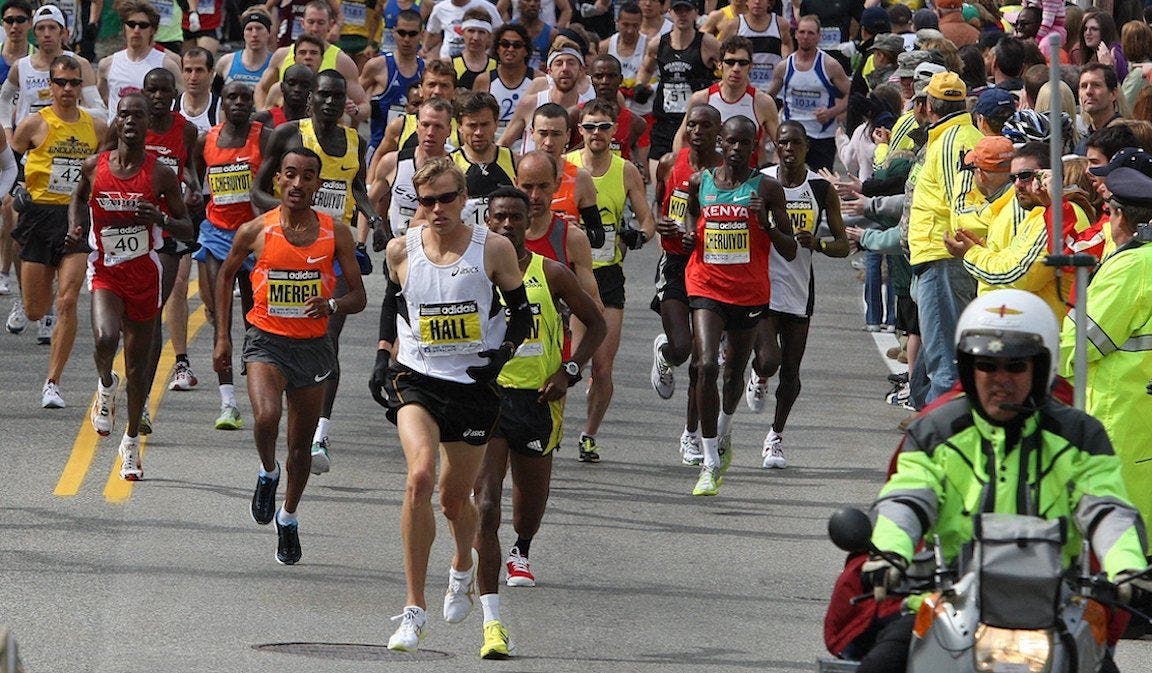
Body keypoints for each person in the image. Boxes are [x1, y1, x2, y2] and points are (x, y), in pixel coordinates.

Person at [856, 289, 1150, 673]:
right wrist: (888, 551)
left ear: (1041, 368)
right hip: (951, 602)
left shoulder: (1080, 435)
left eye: (1015, 366)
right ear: (967, 368)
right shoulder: (935, 431)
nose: (1001, 379)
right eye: (986, 365)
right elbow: (907, 497)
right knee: (877, 665)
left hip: (1056, 608)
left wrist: (1127, 566)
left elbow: (1107, 506)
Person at [377, 158, 533, 653]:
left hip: (472, 386)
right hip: (418, 380)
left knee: (451, 499)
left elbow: (521, 316)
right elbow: (392, 304)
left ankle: (462, 563)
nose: (437, 208)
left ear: (465, 198)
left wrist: (500, 357)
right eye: (427, 201)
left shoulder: (494, 249)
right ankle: (413, 611)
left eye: (447, 198)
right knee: (419, 476)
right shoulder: (401, 250)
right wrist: (383, 358)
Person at [212, 146, 366, 565]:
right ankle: (267, 472)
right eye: (291, 175)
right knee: (265, 417)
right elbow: (225, 276)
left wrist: (332, 305)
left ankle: (289, 516)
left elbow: (358, 295)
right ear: (277, 179)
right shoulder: (256, 231)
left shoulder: (337, 233)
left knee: (300, 449)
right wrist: (222, 338)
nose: (298, 184)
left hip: (313, 347)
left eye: (308, 176)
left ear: (318, 183)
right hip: (266, 340)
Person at [471, 186, 604, 658]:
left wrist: (569, 371)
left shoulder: (552, 273)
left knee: (530, 498)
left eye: (515, 218)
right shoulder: (475, 272)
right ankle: (491, 616)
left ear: (529, 223)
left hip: (538, 399)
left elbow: (597, 324)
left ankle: (521, 548)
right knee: (486, 502)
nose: (507, 225)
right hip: (487, 397)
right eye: (498, 217)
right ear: (486, 221)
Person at [253, 68, 381, 475]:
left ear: (346, 102)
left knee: (328, 335)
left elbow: (356, 186)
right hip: (290, 247)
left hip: (333, 251)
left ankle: (319, 432)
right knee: (286, 334)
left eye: (336, 96)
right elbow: (257, 188)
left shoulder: (354, 142)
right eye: (322, 95)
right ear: (311, 99)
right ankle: (283, 410)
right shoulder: (289, 134)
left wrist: (376, 220)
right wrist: (277, 223)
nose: (329, 102)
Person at [72, 93, 193, 480]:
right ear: (117, 122)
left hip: (145, 273)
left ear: (145, 123)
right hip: (107, 269)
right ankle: (105, 387)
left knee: (139, 368)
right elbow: (77, 197)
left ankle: (129, 444)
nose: (130, 122)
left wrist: (161, 217)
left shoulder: (160, 174)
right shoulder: (95, 166)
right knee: (106, 338)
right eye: (124, 115)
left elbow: (187, 227)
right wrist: (75, 226)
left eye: (137, 116)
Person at [681, 115, 795, 496]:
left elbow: (790, 247)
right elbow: (690, 222)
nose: (735, 149)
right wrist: (682, 236)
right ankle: (709, 461)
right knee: (706, 364)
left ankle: (725, 432)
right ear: (721, 143)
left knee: (733, 373)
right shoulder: (701, 182)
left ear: (754, 145)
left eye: (744, 143)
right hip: (706, 285)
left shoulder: (769, 188)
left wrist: (765, 224)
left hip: (748, 293)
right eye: (730, 142)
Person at [752, 121, 848, 469]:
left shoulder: (821, 189)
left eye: (795, 143)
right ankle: (759, 374)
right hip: (762, 284)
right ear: (775, 147)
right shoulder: (760, 180)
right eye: (782, 144)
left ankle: (775, 437)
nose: (788, 149)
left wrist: (819, 244)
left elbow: (843, 246)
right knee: (768, 360)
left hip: (798, 288)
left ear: (807, 146)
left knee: (791, 371)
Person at [1060, 166, 1152, 532]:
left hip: (1121, 413)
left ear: (1119, 216)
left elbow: (1082, 343)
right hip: (1137, 410)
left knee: (1114, 523)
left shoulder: (1133, 267)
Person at [9, 55, 103, 409]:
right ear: (50, 85)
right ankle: (37, 304)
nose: (67, 89)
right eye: (61, 82)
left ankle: (53, 382)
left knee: (68, 299)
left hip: (75, 216)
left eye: (74, 83)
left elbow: (108, 163)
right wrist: (15, 191)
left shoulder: (95, 127)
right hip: (38, 218)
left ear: (82, 87)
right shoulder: (34, 123)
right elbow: (10, 164)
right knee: (36, 309)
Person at [565, 99, 655, 462]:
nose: (596, 134)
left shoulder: (626, 170)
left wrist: (639, 236)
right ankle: (548, 424)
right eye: (589, 127)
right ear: (580, 131)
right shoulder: (566, 166)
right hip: (568, 274)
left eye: (604, 127)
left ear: (615, 130)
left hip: (607, 275)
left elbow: (648, 219)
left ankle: (588, 434)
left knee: (602, 366)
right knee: (569, 361)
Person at [194, 81, 271, 430]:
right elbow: (199, 176)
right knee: (219, 316)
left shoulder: (264, 137)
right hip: (216, 234)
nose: (239, 103)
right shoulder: (207, 139)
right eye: (232, 98)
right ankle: (228, 402)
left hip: (254, 236)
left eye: (245, 98)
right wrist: (199, 196)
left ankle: (254, 368)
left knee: (254, 315)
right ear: (221, 103)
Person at [650, 103, 721, 465]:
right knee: (681, 348)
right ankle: (664, 355)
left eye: (705, 126)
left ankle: (690, 435)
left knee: (702, 362)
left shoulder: (726, 172)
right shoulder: (668, 163)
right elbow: (658, 205)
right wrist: (662, 223)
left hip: (711, 268)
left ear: (717, 133)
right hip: (675, 263)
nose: (696, 131)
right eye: (691, 125)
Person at [907, 71, 981, 404]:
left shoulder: (953, 140)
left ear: (931, 106)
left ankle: (941, 441)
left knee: (944, 363)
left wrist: (962, 245)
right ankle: (927, 419)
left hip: (943, 256)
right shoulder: (958, 136)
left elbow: (961, 199)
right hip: (940, 257)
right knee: (931, 365)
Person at [944, 140, 1068, 320]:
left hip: (1035, 328)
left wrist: (970, 253)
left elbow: (1016, 274)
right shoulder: (1033, 211)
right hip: (1018, 321)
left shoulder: (1051, 214)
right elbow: (1011, 257)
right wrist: (980, 249)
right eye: (1013, 178)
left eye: (1025, 175)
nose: (1017, 184)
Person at [141, 67, 203, 404]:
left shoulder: (187, 129)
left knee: (158, 302)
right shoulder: (130, 124)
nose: (159, 97)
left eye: (165, 91)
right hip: (133, 224)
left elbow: (189, 166)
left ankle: (145, 395)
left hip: (168, 224)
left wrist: (193, 187)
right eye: (153, 90)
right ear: (144, 91)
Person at [632, 0, 720, 180]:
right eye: (678, 10)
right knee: (660, 182)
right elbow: (646, 68)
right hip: (664, 122)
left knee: (690, 182)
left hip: (694, 124)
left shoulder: (707, 43)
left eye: (687, 10)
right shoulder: (658, 44)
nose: (683, 15)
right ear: (670, 12)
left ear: (696, 13)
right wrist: (640, 84)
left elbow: (728, 65)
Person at [254, 0, 370, 123]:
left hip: (324, 134)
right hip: (287, 132)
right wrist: (262, 112)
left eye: (320, 23)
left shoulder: (341, 61)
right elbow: (261, 88)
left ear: (330, 25)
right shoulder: (282, 54)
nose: (315, 28)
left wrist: (355, 111)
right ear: (303, 23)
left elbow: (364, 106)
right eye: (311, 22)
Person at [673, 35, 778, 167]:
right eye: (730, 62)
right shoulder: (701, 98)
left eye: (742, 63)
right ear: (720, 64)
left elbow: (780, 144)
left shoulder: (763, 103)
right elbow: (682, 137)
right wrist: (681, 169)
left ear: (750, 66)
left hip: (746, 180)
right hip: (707, 178)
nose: (736, 68)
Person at [766, 15, 851, 172]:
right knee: (786, 177)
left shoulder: (829, 65)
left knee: (821, 181)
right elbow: (767, 98)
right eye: (802, 32)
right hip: (791, 131)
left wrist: (832, 112)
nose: (806, 37)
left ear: (819, 37)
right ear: (796, 34)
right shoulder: (784, 66)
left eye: (811, 33)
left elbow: (852, 95)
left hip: (821, 135)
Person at [515, 149, 600, 304]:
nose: (535, 195)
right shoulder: (500, 239)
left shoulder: (572, 238)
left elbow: (593, 305)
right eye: (527, 187)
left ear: (557, 184)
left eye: (543, 186)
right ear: (516, 184)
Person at [522, 102, 603, 248]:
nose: (548, 142)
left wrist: (578, 231)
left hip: (565, 265)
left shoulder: (580, 178)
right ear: (532, 133)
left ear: (567, 136)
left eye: (556, 134)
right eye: (543, 133)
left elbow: (598, 237)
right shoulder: (517, 171)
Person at [373, 97, 454, 239]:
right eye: (425, 125)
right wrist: (371, 232)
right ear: (417, 127)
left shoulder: (456, 167)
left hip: (438, 249)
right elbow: (369, 201)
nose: (430, 132)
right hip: (399, 247)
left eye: (438, 126)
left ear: (449, 130)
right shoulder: (393, 161)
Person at [97, 0, 182, 119]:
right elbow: (103, 98)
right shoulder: (107, 64)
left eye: (143, 25)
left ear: (152, 30)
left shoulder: (167, 65)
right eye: (131, 24)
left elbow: (182, 101)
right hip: (118, 134)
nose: (136, 30)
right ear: (124, 28)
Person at [359, 8, 424, 158]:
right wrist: (363, 108)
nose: (406, 39)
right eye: (402, 33)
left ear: (421, 35)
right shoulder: (377, 66)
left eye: (412, 34)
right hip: (379, 148)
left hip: (414, 151)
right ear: (393, 32)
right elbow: (353, 96)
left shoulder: (426, 70)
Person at [450, 91, 518, 227]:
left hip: (504, 244)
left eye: (485, 124)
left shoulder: (515, 161)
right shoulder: (449, 165)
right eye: (472, 125)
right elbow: (420, 220)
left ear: (496, 124)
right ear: (459, 127)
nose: (479, 132)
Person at [572, 55, 648, 165]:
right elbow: (562, 157)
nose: (605, 81)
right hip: (580, 178)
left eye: (611, 76)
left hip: (615, 179)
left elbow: (630, 152)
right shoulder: (574, 115)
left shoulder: (636, 123)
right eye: (599, 76)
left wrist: (637, 166)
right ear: (591, 79)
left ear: (620, 79)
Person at [472, 22, 535, 147]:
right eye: (505, 44)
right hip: (492, 142)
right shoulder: (484, 80)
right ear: (497, 48)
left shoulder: (538, 79)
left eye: (516, 45)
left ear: (526, 50)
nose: (510, 49)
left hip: (526, 142)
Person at [716, 0, 792, 94]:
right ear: (746, 2)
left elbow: (787, 44)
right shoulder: (734, 24)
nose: (757, 2)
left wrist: (785, 61)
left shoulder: (780, 24)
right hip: (743, 88)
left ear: (769, 2)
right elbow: (719, 51)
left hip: (773, 89)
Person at [215, 8, 275, 90]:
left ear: (269, 32)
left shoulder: (276, 64)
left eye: (259, 28)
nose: (254, 34)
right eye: (249, 29)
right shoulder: (226, 62)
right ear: (243, 33)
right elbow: (214, 96)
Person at [423, 0, 502, 59]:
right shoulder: (440, 8)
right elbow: (431, 32)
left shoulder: (487, 6)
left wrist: (490, 49)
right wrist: (425, 49)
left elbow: (499, 31)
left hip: (480, 60)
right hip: (448, 59)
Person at [253, 63, 314, 128]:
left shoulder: (315, 124)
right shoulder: (263, 119)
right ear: (282, 87)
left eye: (304, 85)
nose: (297, 89)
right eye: (291, 84)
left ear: (312, 90)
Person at [452, 8, 497, 90]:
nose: (476, 37)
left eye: (481, 32)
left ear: (489, 36)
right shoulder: (450, 64)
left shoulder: (497, 66)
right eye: (471, 31)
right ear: (462, 33)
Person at [178, 47, 218, 135]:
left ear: (211, 73)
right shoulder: (171, 106)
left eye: (199, 70)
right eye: (188, 70)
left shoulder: (221, 110)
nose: (193, 77)